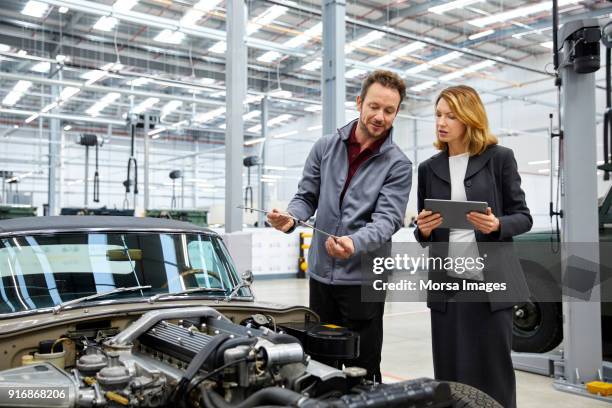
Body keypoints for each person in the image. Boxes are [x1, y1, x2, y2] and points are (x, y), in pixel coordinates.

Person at [267, 70, 412, 382]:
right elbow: (306, 197)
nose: (379, 116)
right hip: (322, 276)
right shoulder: (325, 147)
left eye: (389, 111)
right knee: (320, 363)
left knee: (363, 367)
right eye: (374, 106)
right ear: (359, 102)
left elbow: (387, 220)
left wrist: (354, 243)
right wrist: (291, 218)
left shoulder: (398, 164)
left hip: (364, 281)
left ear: (396, 113)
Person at [415, 85, 532, 408]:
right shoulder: (428, 168)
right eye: (439, 115)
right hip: (447, 289)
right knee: (450, 375)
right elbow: (424, 231)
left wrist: (497, 225)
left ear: (470, 117)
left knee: (493, 373)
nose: (442, 122)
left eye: (451, 116)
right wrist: (422, 231)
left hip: (489, 289)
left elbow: (523, 217)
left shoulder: (500, 159)